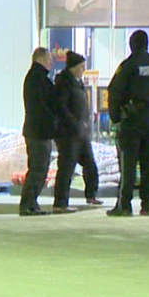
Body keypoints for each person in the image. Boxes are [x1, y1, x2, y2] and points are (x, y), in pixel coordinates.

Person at [107, 30, 149, 216]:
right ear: (147, 44)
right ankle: (147, 206)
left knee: (128, 165)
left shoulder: (127, 66)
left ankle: (125, 206)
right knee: (148, 164)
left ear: (131, 45)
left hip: (132, 121)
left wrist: (116, 118)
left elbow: (115, 92)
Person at [51, 50, 103, 212]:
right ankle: (60, 202)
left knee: (90, 165)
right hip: (68, 134)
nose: (83, 70)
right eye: (81, 67)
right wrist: (74, 124)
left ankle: (91, 194)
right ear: (73, 67)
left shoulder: (78, 82)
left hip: (81, 132)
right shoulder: (64, 83)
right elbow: (61, 108)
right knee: (67, 168)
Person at [19, 47, 56, 216]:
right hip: (38, 131)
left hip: (38, 130)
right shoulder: (37, 79)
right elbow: (42, 105)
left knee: (40, 168)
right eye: (49, 59)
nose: (51, 62)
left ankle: (31, 203)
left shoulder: (38, 77)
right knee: (37, 168)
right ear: (40, 59)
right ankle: (27, 204)